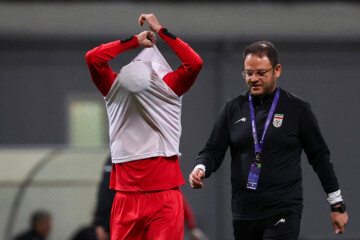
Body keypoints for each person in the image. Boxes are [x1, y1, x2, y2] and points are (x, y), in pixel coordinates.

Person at [189, 41, 348, 240]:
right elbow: (213, 149)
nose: (253, 79)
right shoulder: (233, 109)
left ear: (277, 70)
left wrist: (337, 204)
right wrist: (201, 167)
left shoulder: (297, 109)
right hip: (244, 212)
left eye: (261, 73)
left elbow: (320, 157)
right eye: (248, 73)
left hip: (283, 210)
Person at [85, 13, 202, 240]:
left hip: (131, 196)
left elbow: (93, 58)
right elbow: (194, 62)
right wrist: (161, 30)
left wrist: (134, 42)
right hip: (158, 194)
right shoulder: (169, 87)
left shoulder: (113, 88)